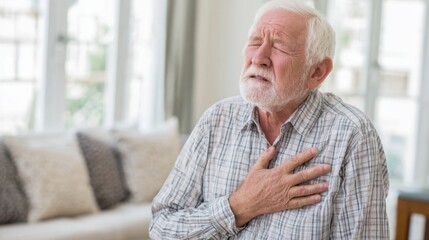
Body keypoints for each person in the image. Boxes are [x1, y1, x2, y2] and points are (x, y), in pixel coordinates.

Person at [150, 0, 390, 239]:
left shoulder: (352, 135)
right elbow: (161, 228)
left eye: (279, 47)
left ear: (317, 72)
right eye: (255, 42)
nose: (259, 57)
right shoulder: (217, 119)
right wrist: (239, 206)